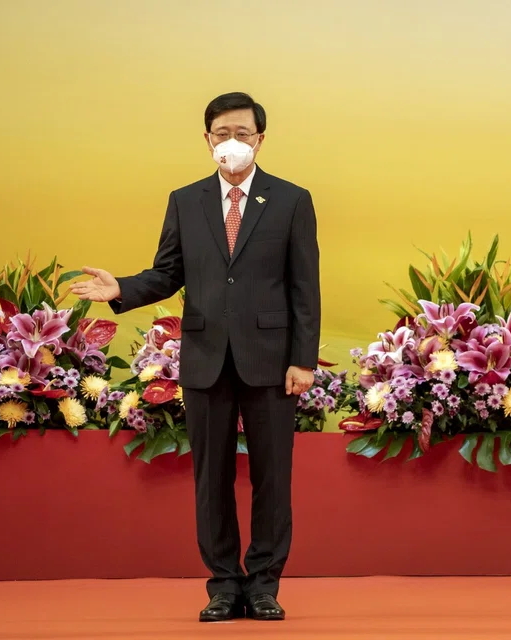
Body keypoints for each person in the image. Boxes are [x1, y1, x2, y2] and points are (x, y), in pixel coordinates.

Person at [71, 92, 321, 623]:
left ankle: (264, 584)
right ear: (207, 140)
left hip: (273, 361)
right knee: (212, 477)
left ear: (260, 139)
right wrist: (124, 288)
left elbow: (305, 287)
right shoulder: (185, 200)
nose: (232, 142)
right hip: (206, 358)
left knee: (272, 477)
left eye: (243, 133)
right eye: (221, 133)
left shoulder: (292, 200)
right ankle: (224, 584)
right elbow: (168, 273)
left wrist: (303, 360)